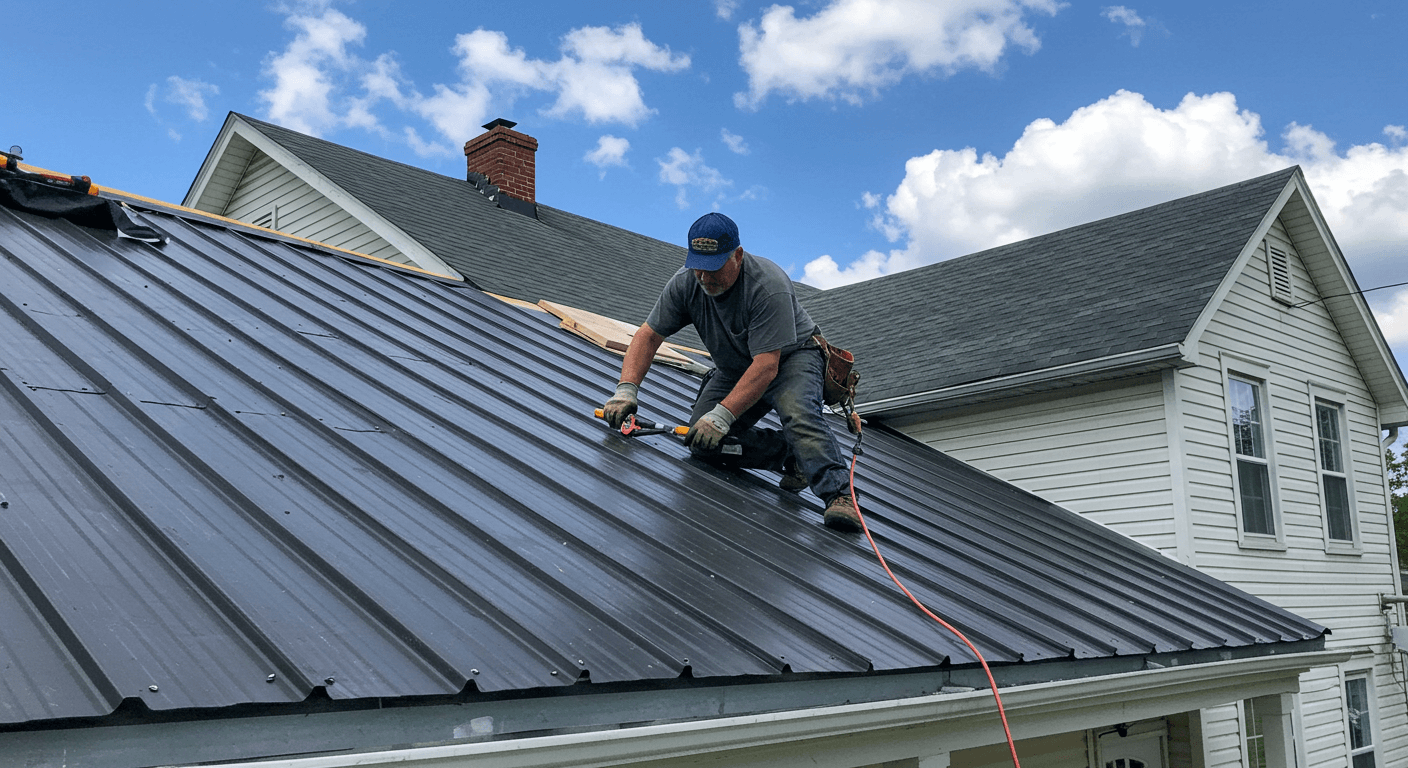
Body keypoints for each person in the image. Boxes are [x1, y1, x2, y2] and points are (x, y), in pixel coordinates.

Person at [600, 212, 861, 532]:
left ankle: (839, 495)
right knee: (702, 440)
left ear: (737, 255)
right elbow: (648, 336)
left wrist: (722, 415)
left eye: (714, 268)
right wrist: (626, 389)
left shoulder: (768, 285)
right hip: (736, 367)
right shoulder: (685, 284)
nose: (704, 277)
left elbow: (767, 366)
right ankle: (788, 454)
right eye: (698, 266)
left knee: (799, 414)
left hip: (790, 359)